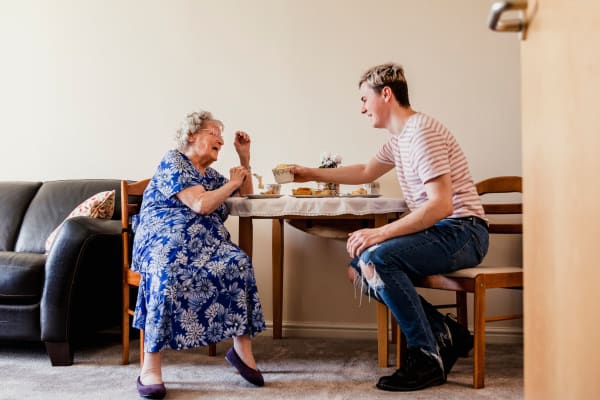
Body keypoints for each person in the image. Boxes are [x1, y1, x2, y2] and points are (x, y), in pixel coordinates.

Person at [291, 63, 489, 392]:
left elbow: (441, 205)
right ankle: (445, 331)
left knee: (376, 259)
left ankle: (426, 357)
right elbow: (367, 170)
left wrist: (380, 233)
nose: (362, 108)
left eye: (364, 99)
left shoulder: (422, 131)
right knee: (359, 269)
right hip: (445, 231)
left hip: (463, 231)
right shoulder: (400, 138)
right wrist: (312, 173)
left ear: (386, 94)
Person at [131, 110, 267, 399]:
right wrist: (231, 184)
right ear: (191, 135)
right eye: (213, 132)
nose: (220, 138)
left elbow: (246, 198)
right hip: (164, 240)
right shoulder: (174, 161)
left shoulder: (211, 175)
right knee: (168, 269)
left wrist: (244, 159)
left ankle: (242, 351)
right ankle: (150, 365)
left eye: (221, 134)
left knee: (238, 263)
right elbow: (201, 205)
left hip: (206, 244)